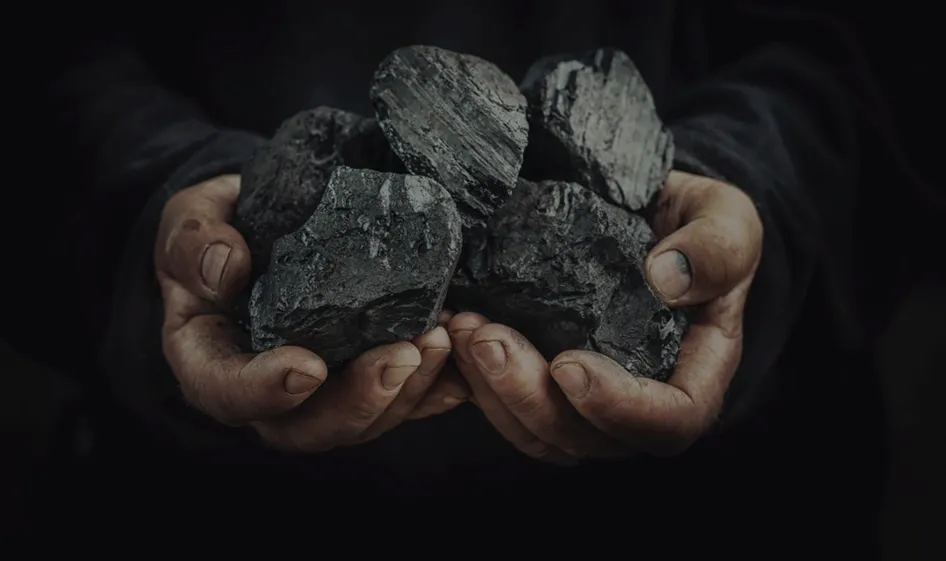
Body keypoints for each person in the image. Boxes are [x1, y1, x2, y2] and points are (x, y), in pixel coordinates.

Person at [39, 0, 892, 543]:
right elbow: (44, 58)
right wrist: (154, 211)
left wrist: (751, 194)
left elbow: (884, 55)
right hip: (197, 510)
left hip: (725, 510)